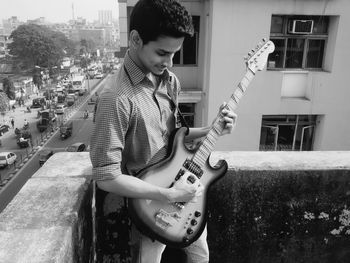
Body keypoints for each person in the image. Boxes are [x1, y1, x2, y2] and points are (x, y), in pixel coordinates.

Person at [90, 1, 237, 262]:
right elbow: (106, 176)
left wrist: (213, 128)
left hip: (184, 190)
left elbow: (175, 138)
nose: (169, 62)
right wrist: (168, 195)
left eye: (174, 54)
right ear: (135, 39)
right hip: (148, 205)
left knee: (201, 255)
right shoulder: (116, 98)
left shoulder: (169, 81)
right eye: (161, 53)